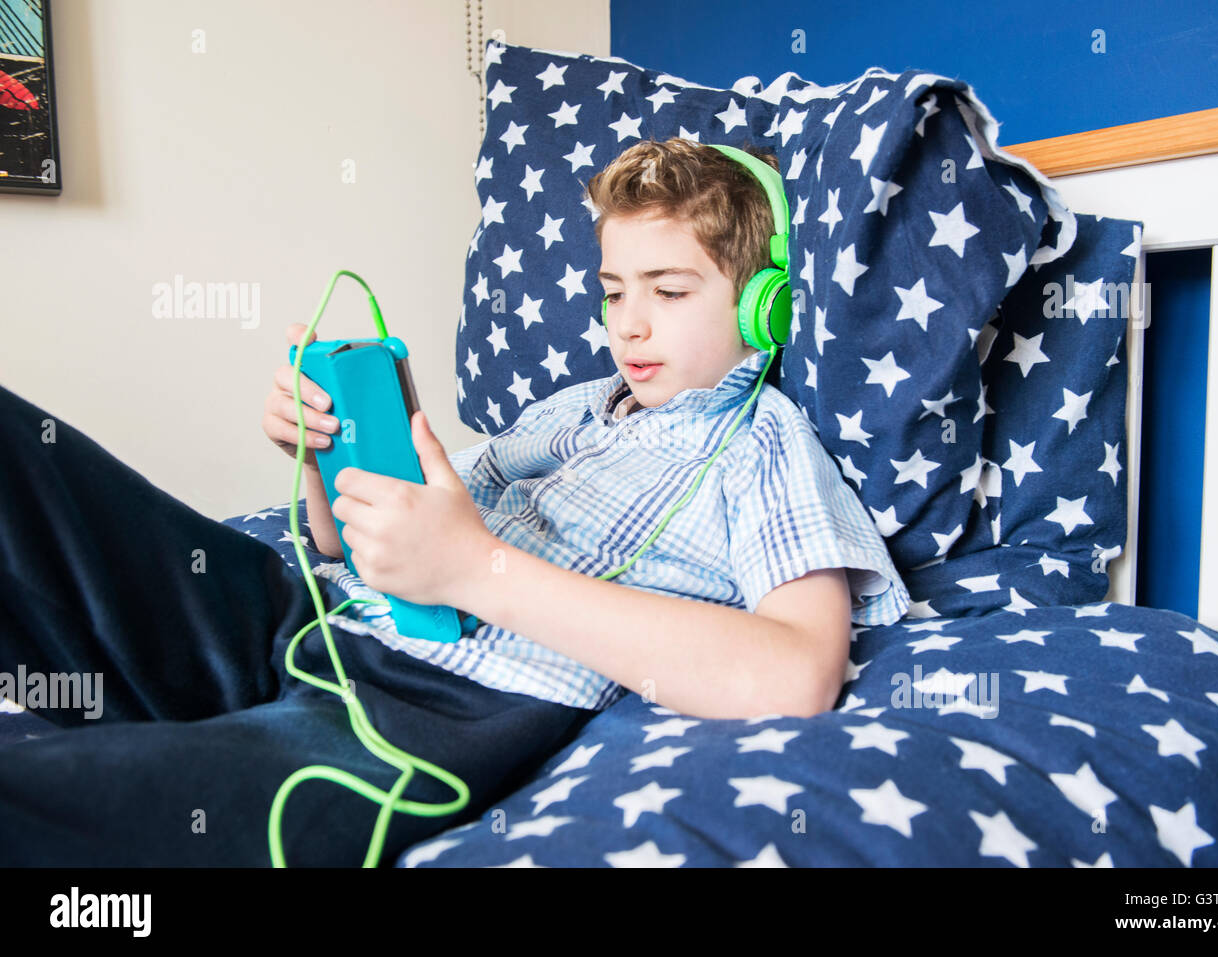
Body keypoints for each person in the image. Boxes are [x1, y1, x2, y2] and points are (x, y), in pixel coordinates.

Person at [0, 137, 908, 867]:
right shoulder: (567, 411)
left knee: (68, 802)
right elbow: (356, 548)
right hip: (306, 617)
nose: (628, 322)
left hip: (431, 704)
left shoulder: (761, 442)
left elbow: (795, 675)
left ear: (765, 308)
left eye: (669, 292)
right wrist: (324, 459)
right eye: (613, 290)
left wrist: (479, 569)